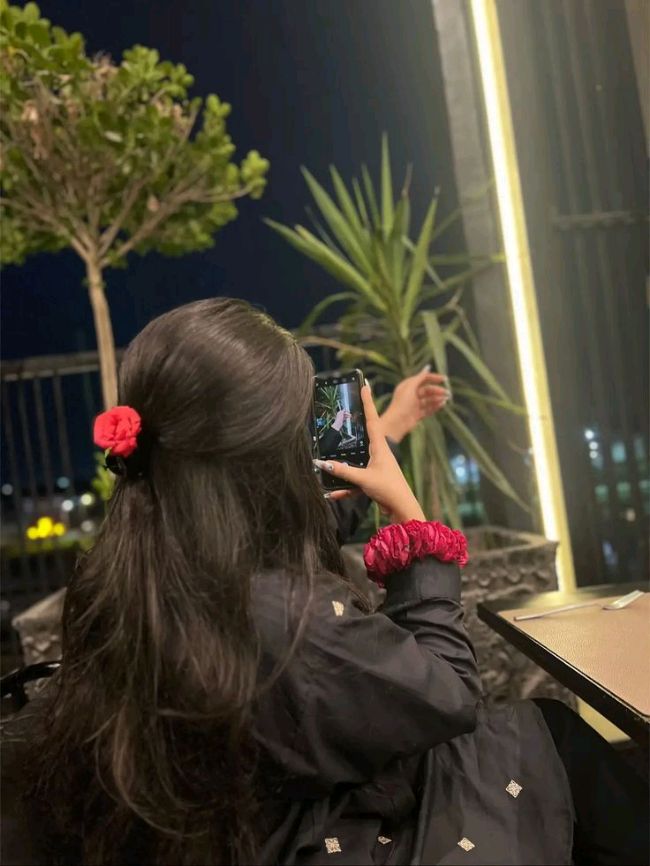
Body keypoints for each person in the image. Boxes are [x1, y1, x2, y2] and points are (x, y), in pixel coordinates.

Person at [1, 298, 647, 866]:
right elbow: (450, 695)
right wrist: (413, 521)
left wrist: (387, 430)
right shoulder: (291, 624)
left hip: (240, 824)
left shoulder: (129, 568)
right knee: (549, 733)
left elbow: (287, 531)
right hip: (323, 835)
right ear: (266, 455)